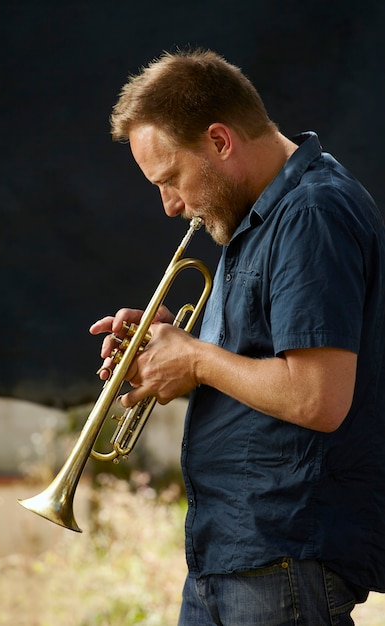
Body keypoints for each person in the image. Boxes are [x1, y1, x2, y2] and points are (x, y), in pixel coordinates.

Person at [90, 49, 385, 625]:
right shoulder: (257, 216)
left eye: (171, 178)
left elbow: (317, 397)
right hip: (231, 554)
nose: (170, 204)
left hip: (282, 558)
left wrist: (196, 359)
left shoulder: (311, 212)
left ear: (221, 141)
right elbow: (254, 363)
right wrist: (168, 348)